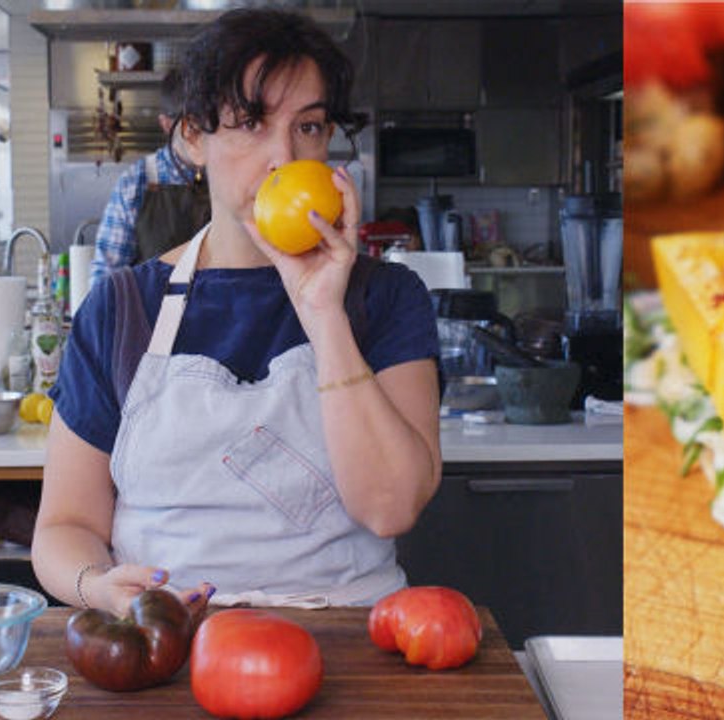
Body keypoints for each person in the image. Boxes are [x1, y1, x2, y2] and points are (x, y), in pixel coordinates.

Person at [34, 8, 442, 618]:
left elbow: (391, 507)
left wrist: (324, 313)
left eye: (307, 127)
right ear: (194, 138)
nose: (283, 156)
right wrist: (97, 585)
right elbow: (64, 525)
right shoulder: (122, 309)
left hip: (352, 644)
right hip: (168, 646)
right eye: (251, 123)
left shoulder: (384, 298)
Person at [90, 67, 211, 284]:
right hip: (153, 317)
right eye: (191, 125)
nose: (200, 135)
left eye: (208, 123)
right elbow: (106, 280)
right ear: (166, 124)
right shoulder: (135, 183)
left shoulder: (229, 176)